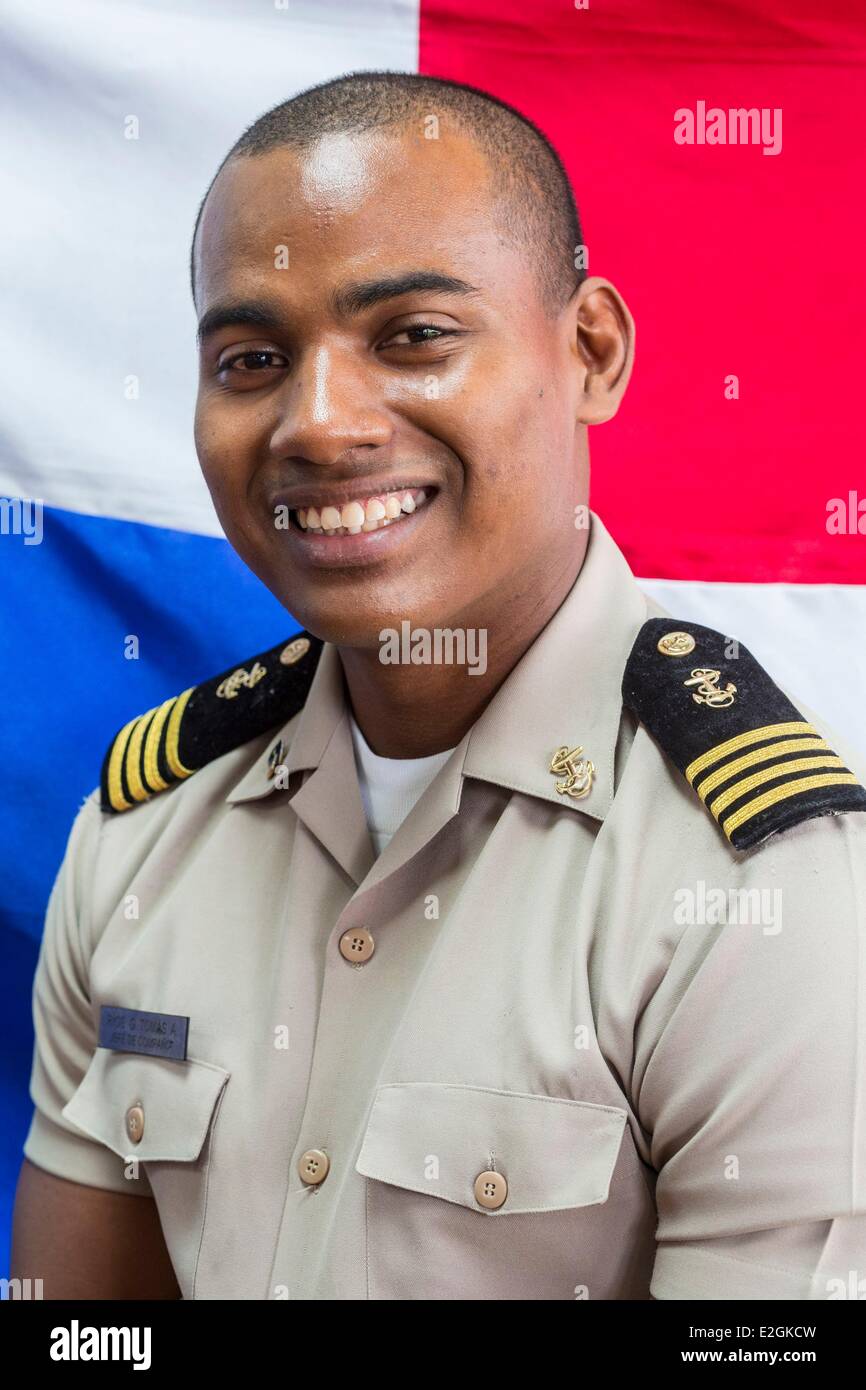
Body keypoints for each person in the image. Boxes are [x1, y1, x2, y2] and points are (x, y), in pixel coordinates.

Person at [11, 72, 866, 1301]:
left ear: (590, 353)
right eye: (252, 357)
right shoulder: (145, 835)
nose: (317, 423)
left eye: (412, 336)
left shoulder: (766, 896)